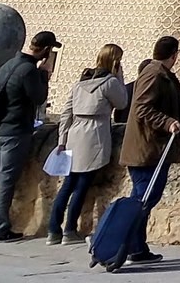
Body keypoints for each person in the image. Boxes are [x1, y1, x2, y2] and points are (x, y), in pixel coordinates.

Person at [0, 29, 60, 242]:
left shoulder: (9, 64)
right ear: (45, 49)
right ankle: (1, 228)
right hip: (15, 131)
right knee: (6, 180)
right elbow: (38, 97)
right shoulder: (28, 70)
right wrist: (44, 75)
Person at [48, 43, 131, 246]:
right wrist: (120, 77)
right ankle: (69, 230)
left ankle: (53, 230)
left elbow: (66, 113)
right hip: (94, 135)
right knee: (82, 185)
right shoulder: (109, 82)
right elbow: (122, 102)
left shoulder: (80, 83)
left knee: (68, 185)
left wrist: (62, 140)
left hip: (75, 134)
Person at [118, 34, 180, 268]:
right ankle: (118, 238)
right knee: (144, 198)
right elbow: (141, 108)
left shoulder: (159, 73)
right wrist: (167, 122)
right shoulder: (154, 74)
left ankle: (136, 248)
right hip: (148, 149)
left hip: (153, 148)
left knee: (143, 198)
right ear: (174, 55)